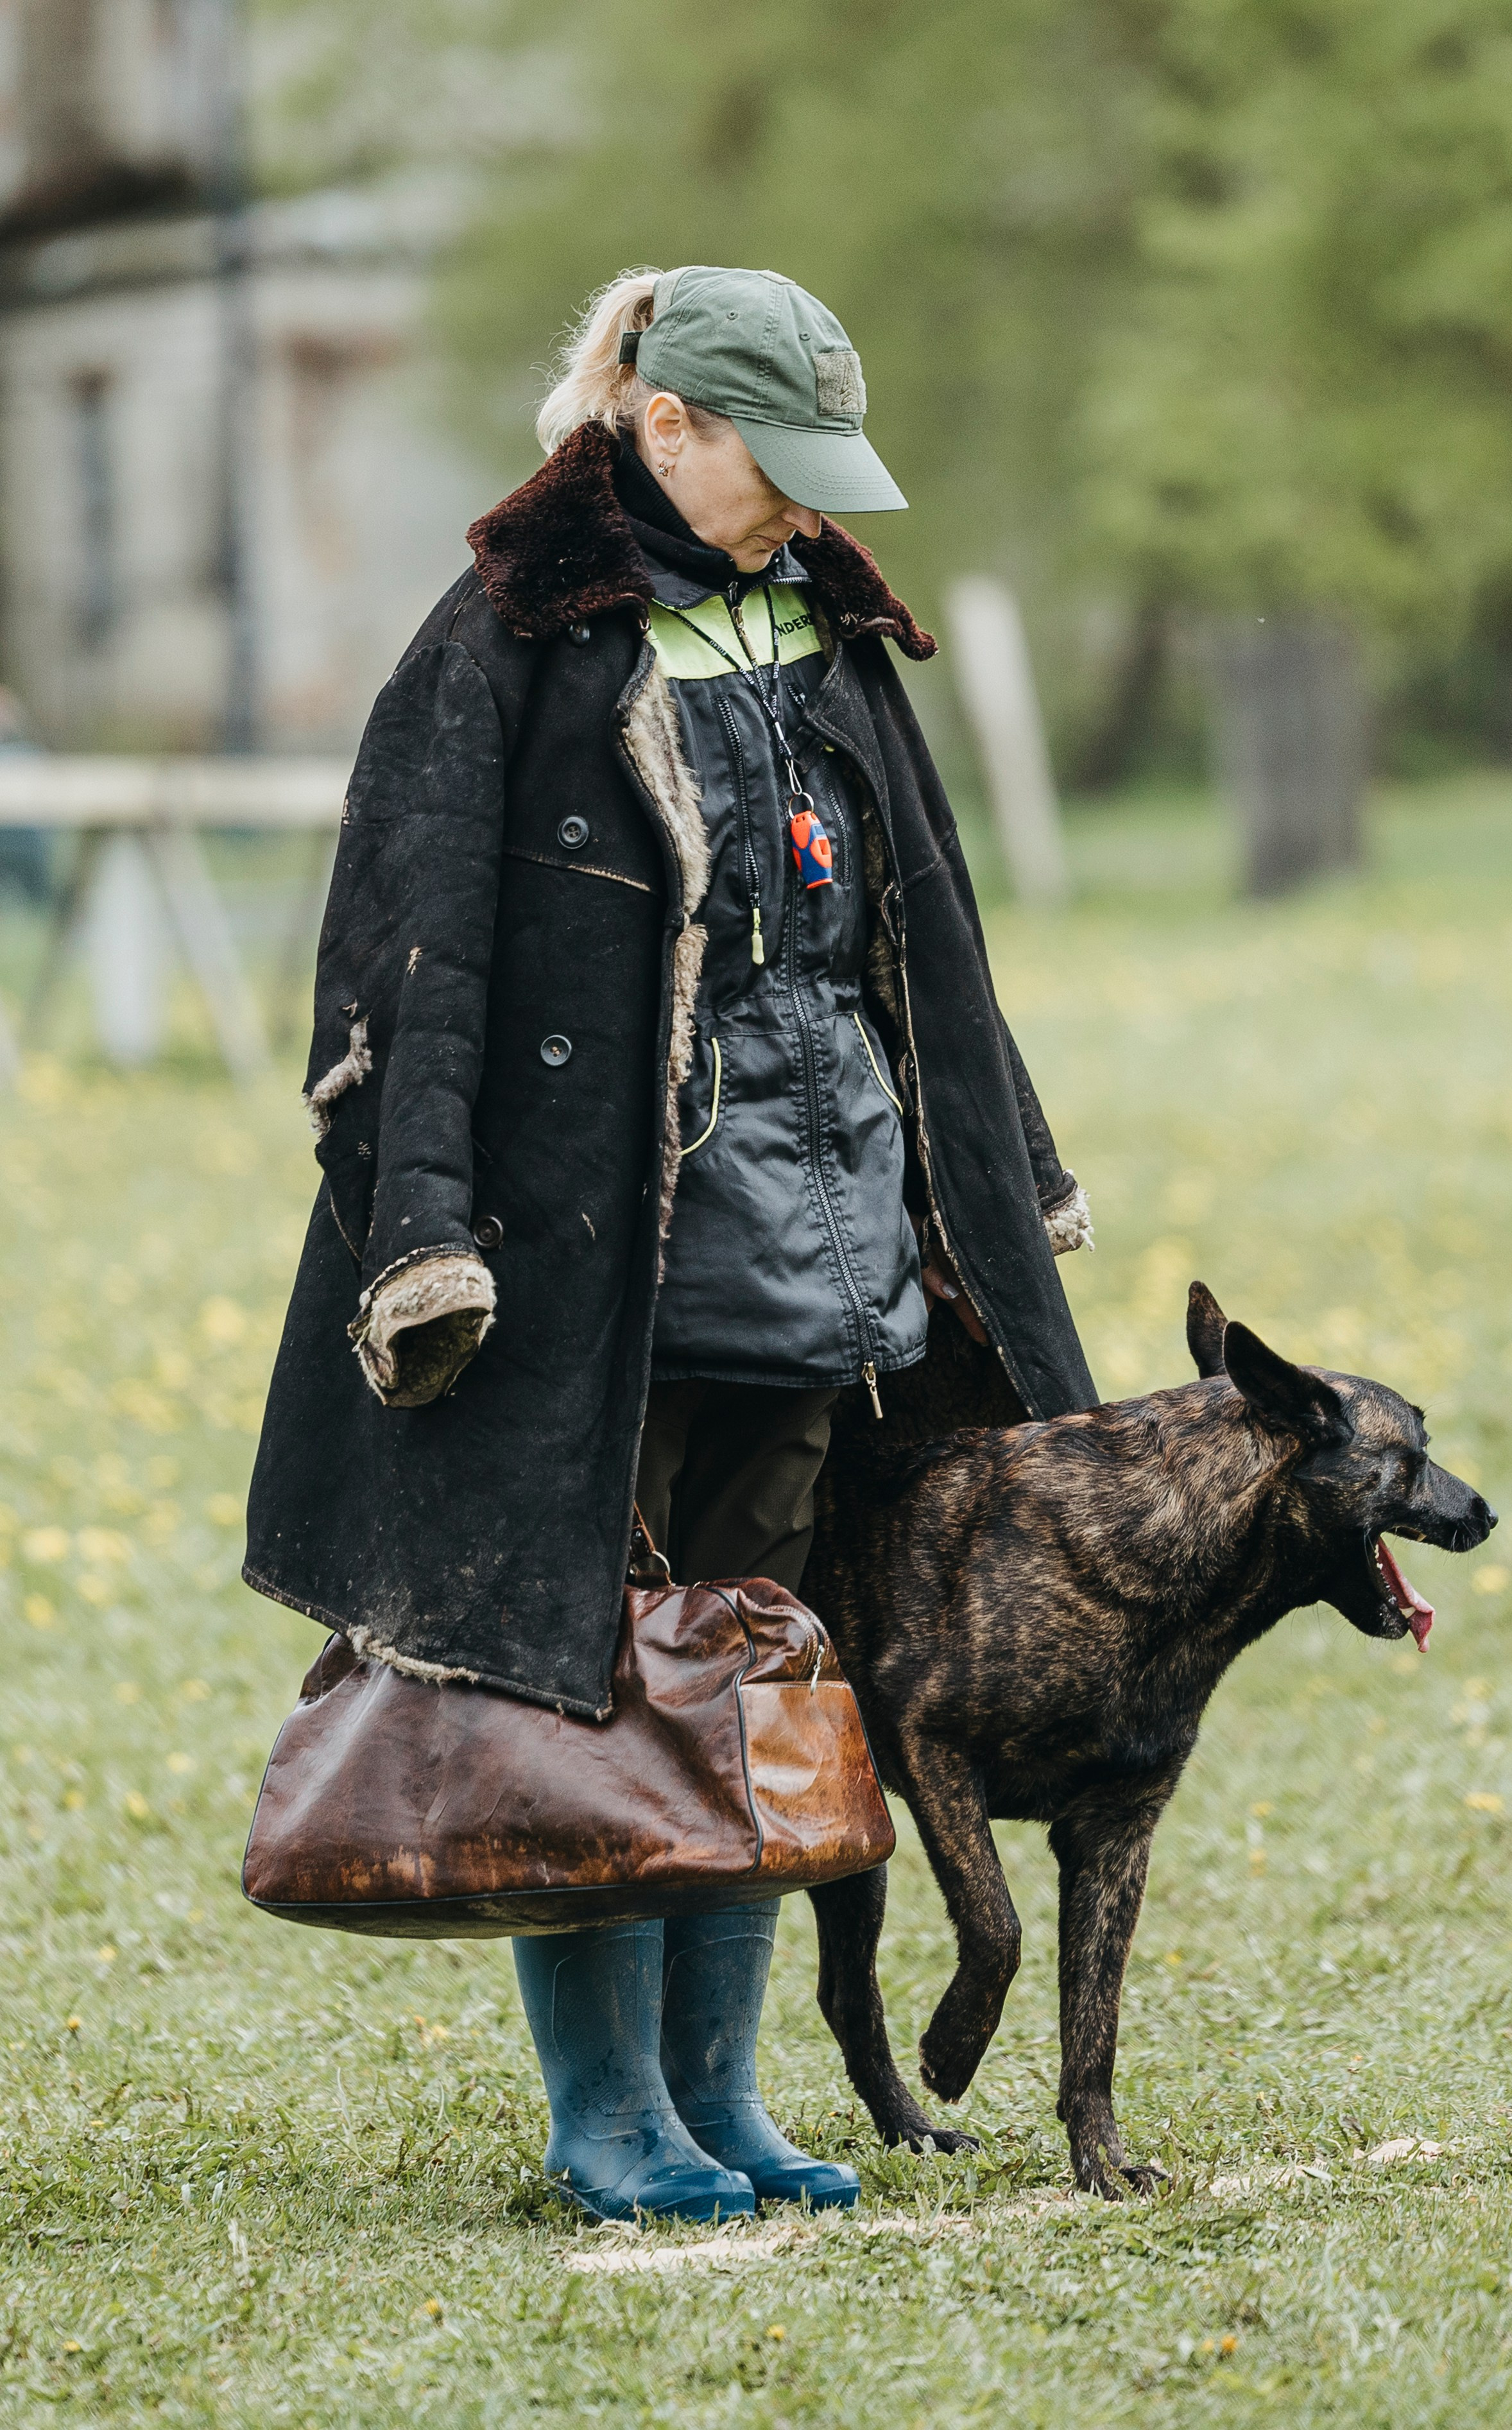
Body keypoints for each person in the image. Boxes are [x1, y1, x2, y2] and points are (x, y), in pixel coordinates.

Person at [245, 264, 1098, 2223]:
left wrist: (997, 1175)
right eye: (768, 463)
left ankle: (727, 2096)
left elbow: (932, 937)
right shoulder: (502, 635)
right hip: (586, 1278)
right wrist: (422, 1236)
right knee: (586, 1687)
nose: (803, 504)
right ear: (661, 420)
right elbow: (406, 956)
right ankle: (608, 2114)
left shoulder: (819, 618)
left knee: (755, 1672)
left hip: (819, 1251)